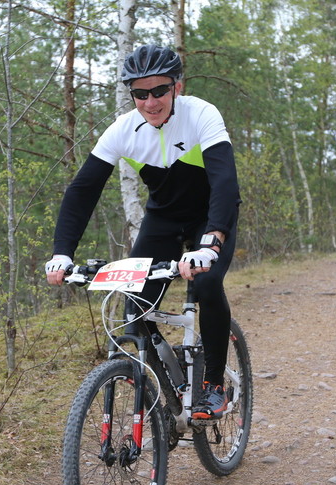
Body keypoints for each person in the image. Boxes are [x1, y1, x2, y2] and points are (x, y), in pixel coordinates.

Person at [44, 45, 241, 420]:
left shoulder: (201, 114)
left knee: (208, 284)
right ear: (131, 94)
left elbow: (225, 183)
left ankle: (214, 384)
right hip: (163, 220)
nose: (151, 102)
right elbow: (83, 191)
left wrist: (212, 240)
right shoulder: (123, 130)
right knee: (134, 311)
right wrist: (62, 252)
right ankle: (165, 387)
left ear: (177, 88)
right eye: (140, 93)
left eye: (159, 91)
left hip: (208, 217)